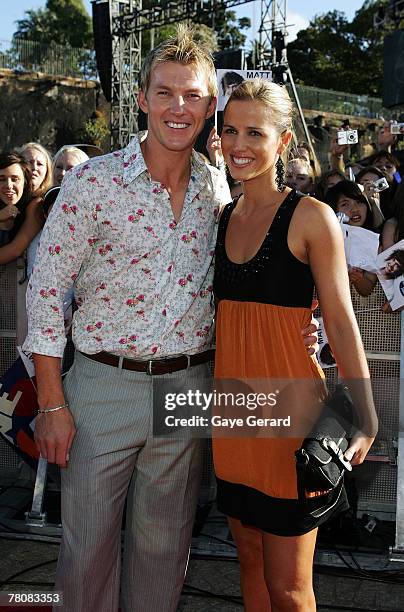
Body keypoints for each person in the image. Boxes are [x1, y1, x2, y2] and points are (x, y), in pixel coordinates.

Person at [23, 28, 318, 612]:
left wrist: (304, 328)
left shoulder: (218, 191)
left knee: (165, 555)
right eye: (165, 93)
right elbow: (45, 293)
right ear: (142, 98)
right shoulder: (92, 182)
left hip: (189, 391)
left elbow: (259, 274)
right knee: (86, 555)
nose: (177, 107)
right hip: (102, 387)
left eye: (192, 96)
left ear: (211, 106)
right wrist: (51, 402)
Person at [213, 79, 377, 612]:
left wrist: (366, 416)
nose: (239, 144)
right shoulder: (221, 218)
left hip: (291, 422)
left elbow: (342, 319)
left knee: (290, 588)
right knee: (251, 565)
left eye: (255, 132)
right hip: (233, 418)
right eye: (230, 129)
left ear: (283, 142)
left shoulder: (311, 215)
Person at [326, 180, 378, 297]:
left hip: (361, 313)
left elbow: (366, 289)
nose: (354, 209)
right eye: (345, 204)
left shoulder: (373, 242)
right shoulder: (322, 239)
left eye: (359, 202)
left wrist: (358, 278)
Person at [0, 152, 44, 260]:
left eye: (15, 179)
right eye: (2, 179)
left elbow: (14, 250)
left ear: (25, 182)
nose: (9, 185)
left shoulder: (35, 206)